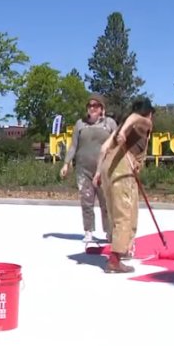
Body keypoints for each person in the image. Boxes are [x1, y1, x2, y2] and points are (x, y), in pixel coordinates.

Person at [93, 98, 155, 274]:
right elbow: (135, 117)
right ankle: (114, 260)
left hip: (108, 167)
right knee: (124, 213)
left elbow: (104, 148)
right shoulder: (145, 123)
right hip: (121, 169)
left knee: (118, 211)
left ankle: (125, 248)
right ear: (149, 113)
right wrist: (125, 131)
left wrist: (98, 172)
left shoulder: (121, 126)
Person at [60, 93, 118, 243]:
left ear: (102, 108)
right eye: (89, 105)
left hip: (105, 170)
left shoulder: (109, 123)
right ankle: (88, 231)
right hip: (83, 169)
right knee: (86, 201)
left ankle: (110, 231)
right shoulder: (80, 124)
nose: (92, 108)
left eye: (95, 105)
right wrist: (66, 163)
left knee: (106, 202)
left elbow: (117, 144)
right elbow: (73, 146)